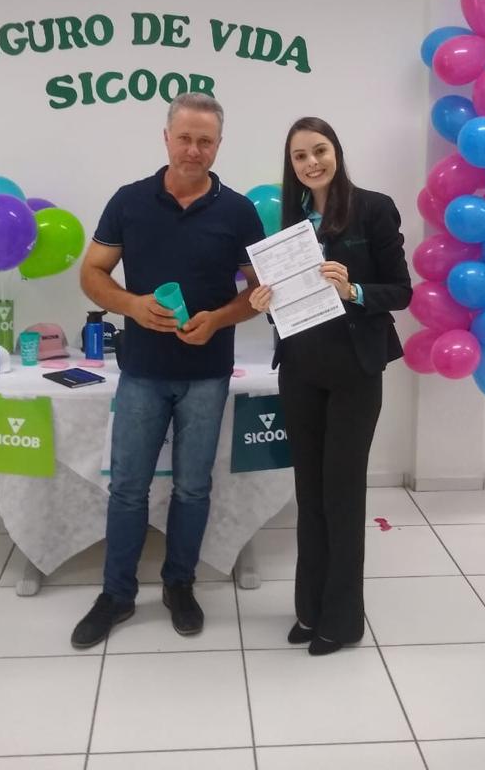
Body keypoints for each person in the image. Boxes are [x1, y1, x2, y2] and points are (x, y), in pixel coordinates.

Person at [71, 93, 264, 648]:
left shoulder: (239, 211)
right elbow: (92, 273)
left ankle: (180, 585)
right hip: (143, 370)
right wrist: (131, 305)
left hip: (208, 371)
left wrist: (220, 318)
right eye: (185, 138)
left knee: (193, 488)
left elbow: (260, 292)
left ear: (218, 146)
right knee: (128, 488)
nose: (193, 150)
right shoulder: (129, 201)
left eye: (205, 141)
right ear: (166, 138)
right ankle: (116, 594)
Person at [249, 116, 411, 655]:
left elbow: (401, 291)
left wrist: (355, 289)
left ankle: (343, 619)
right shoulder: (287, 225)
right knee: (310, 494)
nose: (311, 162)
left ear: (335, 151)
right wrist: (266, 304)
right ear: (291, 165)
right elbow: (288, 303)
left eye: (319, 150)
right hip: (301, 368)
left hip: (354, 370)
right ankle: (310, 608)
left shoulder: (374, 208)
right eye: (300, 156)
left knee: (342, 493)